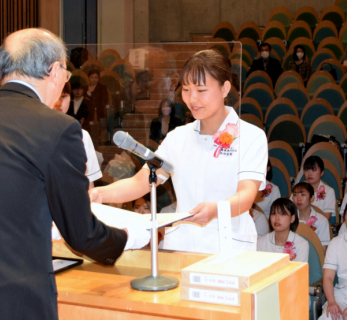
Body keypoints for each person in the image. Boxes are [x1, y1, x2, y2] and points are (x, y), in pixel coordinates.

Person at [0, 28, 149, 320]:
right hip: (14, 298)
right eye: (66, 75)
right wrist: (126, 238)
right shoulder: (57, 128)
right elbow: (81, 233)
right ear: (55, 71)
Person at [90, 49, 268, 254]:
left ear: (225, 88)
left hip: (228, 245)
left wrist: (215, 210)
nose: (192, 99)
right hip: (181, 245)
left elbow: (246, 196)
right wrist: (99, 194)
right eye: (185, 89)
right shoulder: (177, 138)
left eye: (201, 91)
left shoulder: (251, 137)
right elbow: (141, 182)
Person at [53, 81, 102, 188]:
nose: (58, 102)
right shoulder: (32, 133)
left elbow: (89, 184)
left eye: (64, 96)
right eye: (55, 96)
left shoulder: (82, 136)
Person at [257, 198, 309, 262]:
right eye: (273, 213)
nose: (277, 218)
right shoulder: (260, 243)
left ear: (292, 218)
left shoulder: (301, 244)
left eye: (283, 214)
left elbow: (299, 271)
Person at [292, 182, 330, 252]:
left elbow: (322, 251)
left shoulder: (321, 221)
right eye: (295, 195)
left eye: (303, 194)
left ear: (312, 198)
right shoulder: (289, 219)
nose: (298, 198)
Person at [301, 156, 336, 223]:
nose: (309, 173)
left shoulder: (329, 191)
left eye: (314, 170)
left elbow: (326, 218)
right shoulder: (298, 189)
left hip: (319, 228)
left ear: (322, 173)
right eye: (306, 170)